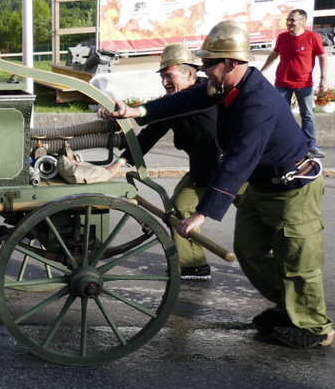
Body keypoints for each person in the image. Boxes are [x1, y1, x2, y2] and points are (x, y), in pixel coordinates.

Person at [99, 20, 333, 349]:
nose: (204, 69)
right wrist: (137, 111)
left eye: (210, 63)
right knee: (249, 251)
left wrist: (203, 213)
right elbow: (181, 101)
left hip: (292, 188)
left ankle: (315, 327)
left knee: (298, 261)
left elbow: (239, 159)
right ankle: (291, 308)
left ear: (232, 63)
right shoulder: (222, 87)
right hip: (262, 185)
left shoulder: (257, 103)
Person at [106, 44, 221, 280]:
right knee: (180, 206)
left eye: (169, 76)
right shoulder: (175, 101)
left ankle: (274, 266)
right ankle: (193, 266)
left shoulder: (207, 93)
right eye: (163, 77)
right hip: (203, 168)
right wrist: (117, 164)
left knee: (258, 215)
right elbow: (148, 136)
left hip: (235, 168)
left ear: (190, 73)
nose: (165, 82)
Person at [260, 8, 327, 158]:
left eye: (292, 20)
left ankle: (311, 145)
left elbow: (323, 57)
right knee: (279, 114)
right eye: (288, 20)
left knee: (308, 115)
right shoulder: (282, 37)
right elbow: (274, 54)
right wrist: (262, 71)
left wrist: (323, 78)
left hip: (304, 83)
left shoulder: (313, 37)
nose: (289, 23)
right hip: (282, 83)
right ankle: (284, 143)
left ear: (303, 22)